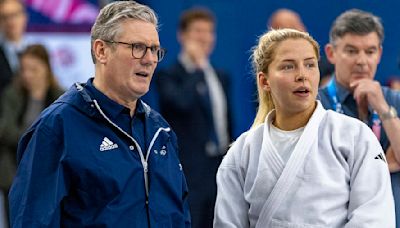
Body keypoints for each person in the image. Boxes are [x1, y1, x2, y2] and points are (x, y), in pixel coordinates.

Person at [8, 1, 191, 227]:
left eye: (154, 49)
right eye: (137, 47)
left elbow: (179, 215)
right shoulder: (57, 127)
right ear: (101, 50)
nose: (150, 59)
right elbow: (32, 220)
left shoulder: (160, 131)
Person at [213, 28, 395, 227]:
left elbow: (374, 217)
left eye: (310, 65)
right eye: (288, 67)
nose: (302, 75)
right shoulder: (242, 152)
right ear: (265, 81)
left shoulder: (354, 136)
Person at [318, 9, 400, 224]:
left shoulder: (394, 99)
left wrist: (383, 109)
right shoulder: (315, 105)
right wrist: (384, 163)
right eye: (352, 51)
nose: (362, 61)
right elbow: (324, 171)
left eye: (370, 51)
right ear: (331, 53)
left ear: (380, 54)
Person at [155, 7, 232, 228]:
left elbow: (226, 122)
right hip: (187, 172)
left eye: (209, 31)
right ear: (182, 35)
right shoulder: (169, 75)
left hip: (219, 169)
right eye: (198, 31)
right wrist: (196, 68)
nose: (204, 37)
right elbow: (182, 103)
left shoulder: (221, 75)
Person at [0, 44, 63, 227]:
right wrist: (35, 98)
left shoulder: (61, 97)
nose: (28, 75)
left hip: (50, 175)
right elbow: (7, 132)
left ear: (46, 68)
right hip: (14, 171)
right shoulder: (12, 95)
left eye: (33, 69)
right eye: (24, 69)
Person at [0, 0, 28, 95]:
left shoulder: (37, 52)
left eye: (15, 15)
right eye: (4, 17)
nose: (10, 21)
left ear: (24, 17)